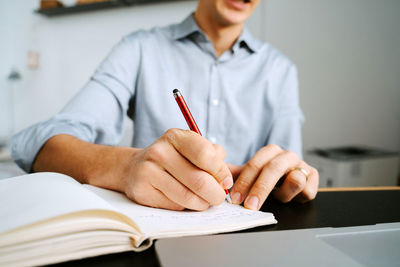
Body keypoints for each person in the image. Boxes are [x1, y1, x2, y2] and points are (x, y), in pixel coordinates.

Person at [11, 0, 318, 211]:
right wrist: (126, 167)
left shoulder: (281, 70)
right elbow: (34, 144)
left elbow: (289, 171)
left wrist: (294, 176)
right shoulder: (140, 49)